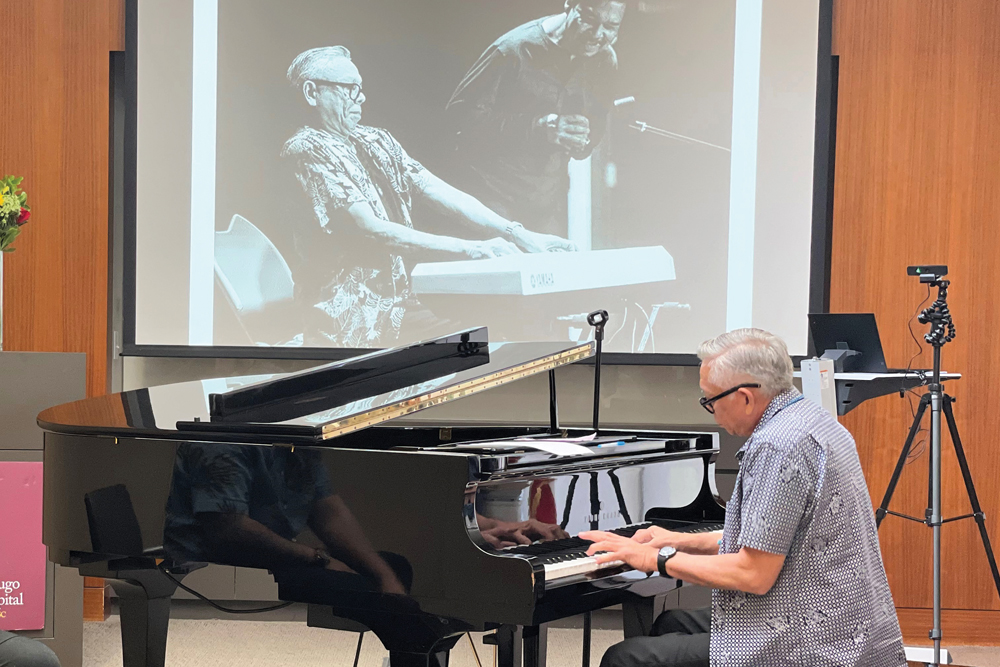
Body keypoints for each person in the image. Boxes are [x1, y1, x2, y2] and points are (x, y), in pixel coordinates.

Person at [582, 328, 906, 667]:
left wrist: (655, 559)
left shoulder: (778, 445)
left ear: (746, 397)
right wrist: (677, 541)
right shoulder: (813, 420)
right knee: (670, 624)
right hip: (845, 623)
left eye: (710, 400)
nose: (709, 409)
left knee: (624, 658)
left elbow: (752, 574)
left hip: (813, 645)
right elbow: (771, 535)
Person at [281, 46, 575, 348]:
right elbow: (373, 230)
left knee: (496, 334)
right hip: (350, 320)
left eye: (361, 88)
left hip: (399, 307)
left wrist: (516, 232)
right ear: (312, 92)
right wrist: (473, 249)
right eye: (350, 88)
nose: (362, 97)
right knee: (478, 347)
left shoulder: (374, 138)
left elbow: (435, 189)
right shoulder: (306, 148)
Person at [446, 1, 625, 237]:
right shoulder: (513, 49)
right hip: (489, 198)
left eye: (611, 26)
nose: (598, 34)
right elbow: (458, 121)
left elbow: (589, 139)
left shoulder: (604, 61)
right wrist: (540, 127)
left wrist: (581, 138)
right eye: (590, 20)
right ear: (570, 5)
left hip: (545, 207)